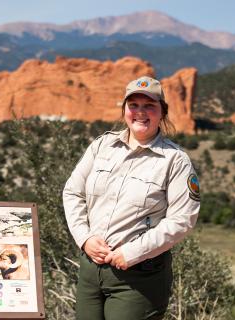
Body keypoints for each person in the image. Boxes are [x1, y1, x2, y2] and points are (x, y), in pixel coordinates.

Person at [63, 76, 200, 320]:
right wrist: (85, 238)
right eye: (133, 105)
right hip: (90, 272)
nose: (140, 112)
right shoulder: (102, 146)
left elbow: (182, 220)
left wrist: (133, 252)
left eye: (149, 106)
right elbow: (72, 192)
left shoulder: (175, 160)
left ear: (162, 112)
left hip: (139, 278)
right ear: (124, 110)